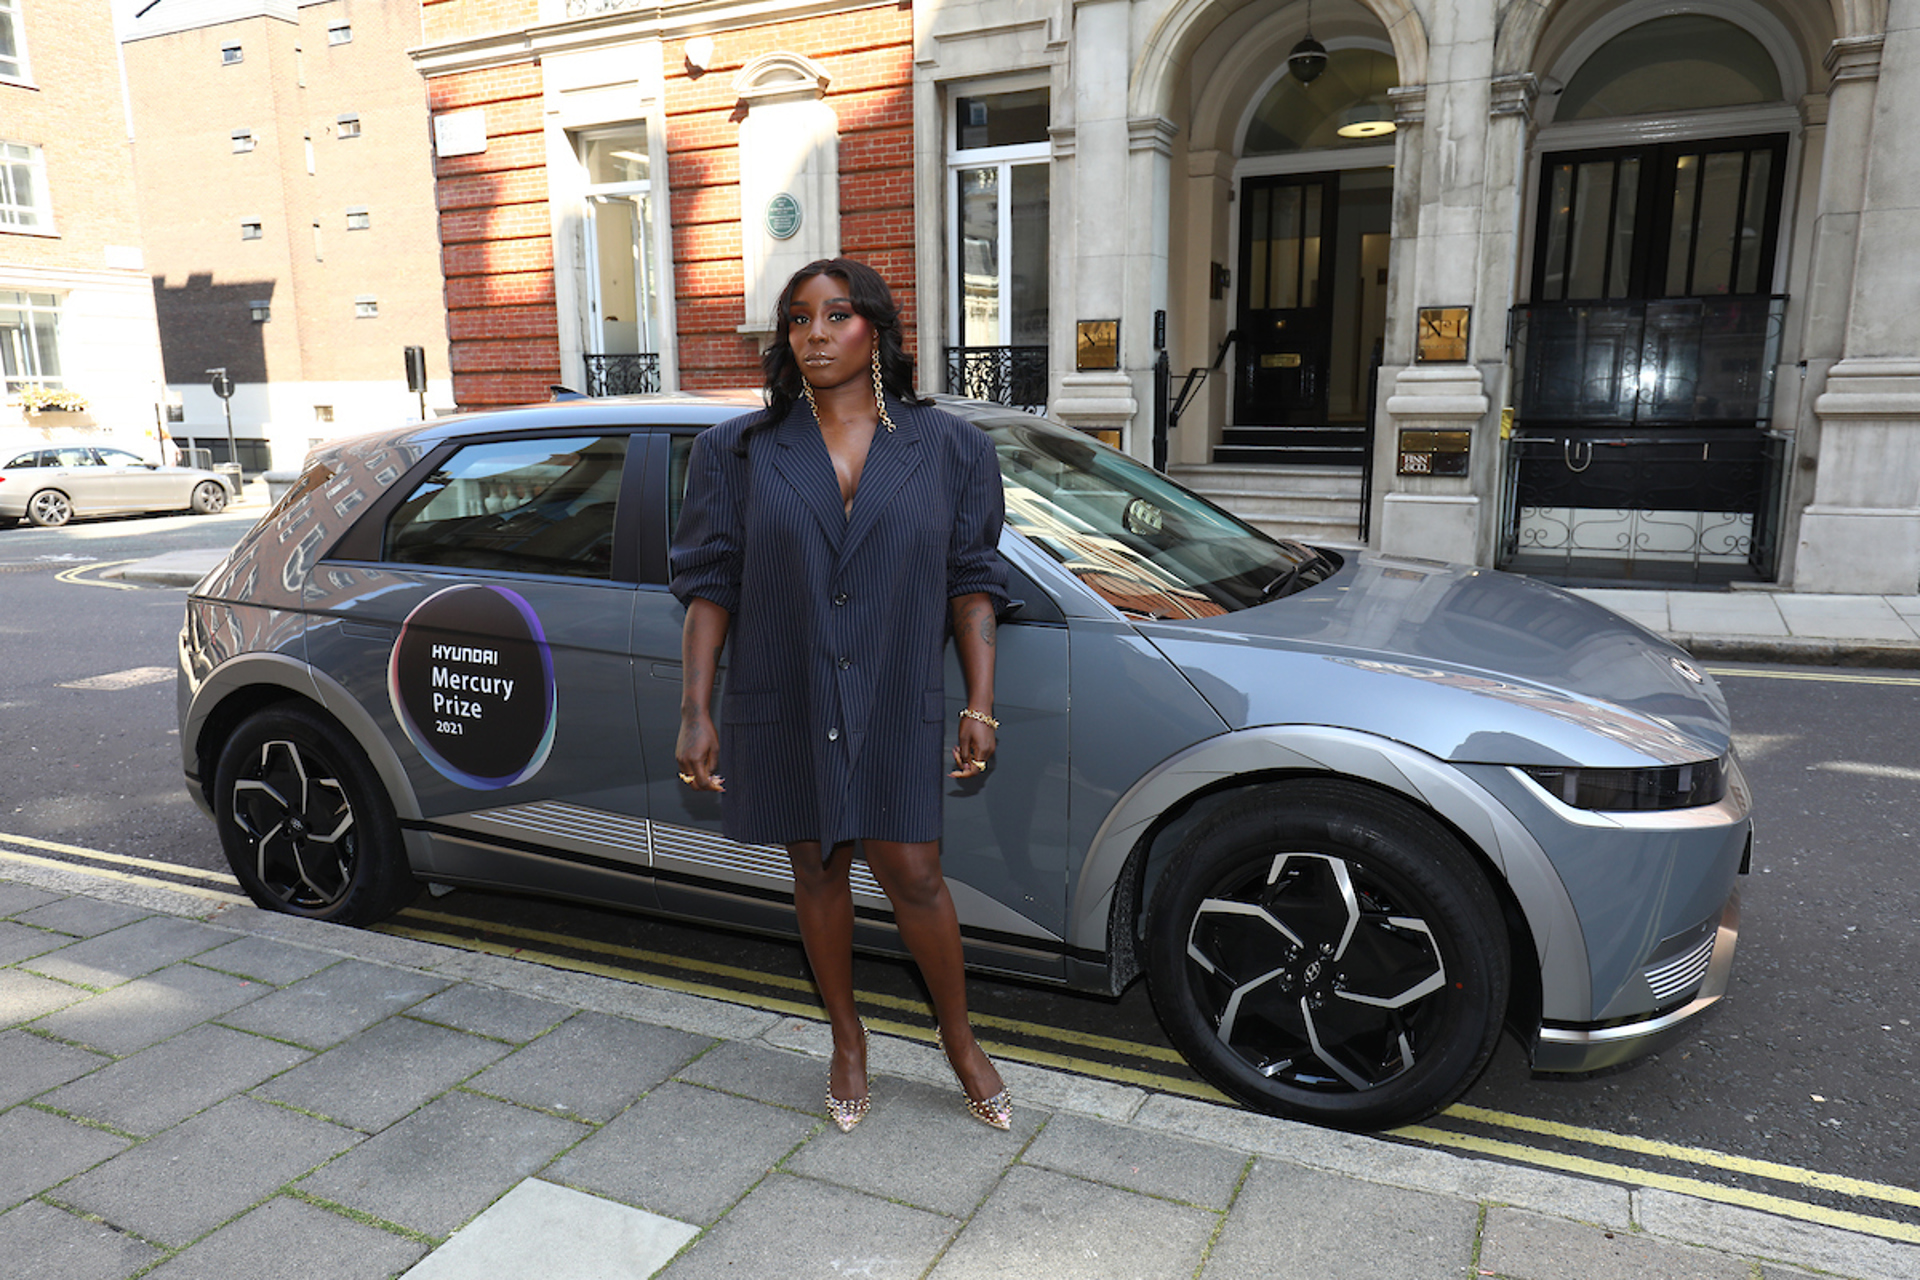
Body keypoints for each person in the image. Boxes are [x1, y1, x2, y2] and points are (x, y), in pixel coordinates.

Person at [670, 258, 1012, 1133]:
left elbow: (971, 580)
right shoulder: (738, 451)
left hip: (897, 686)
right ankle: (848, 1039)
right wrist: (696, 708)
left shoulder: (951, 448)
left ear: (877, 331)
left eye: (837, 315)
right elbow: (712, 586)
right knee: (817, 868)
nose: (815, 334)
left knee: (914, 872)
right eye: (797, 319)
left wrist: (980, 701)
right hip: (788, 682)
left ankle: (960, 1040)